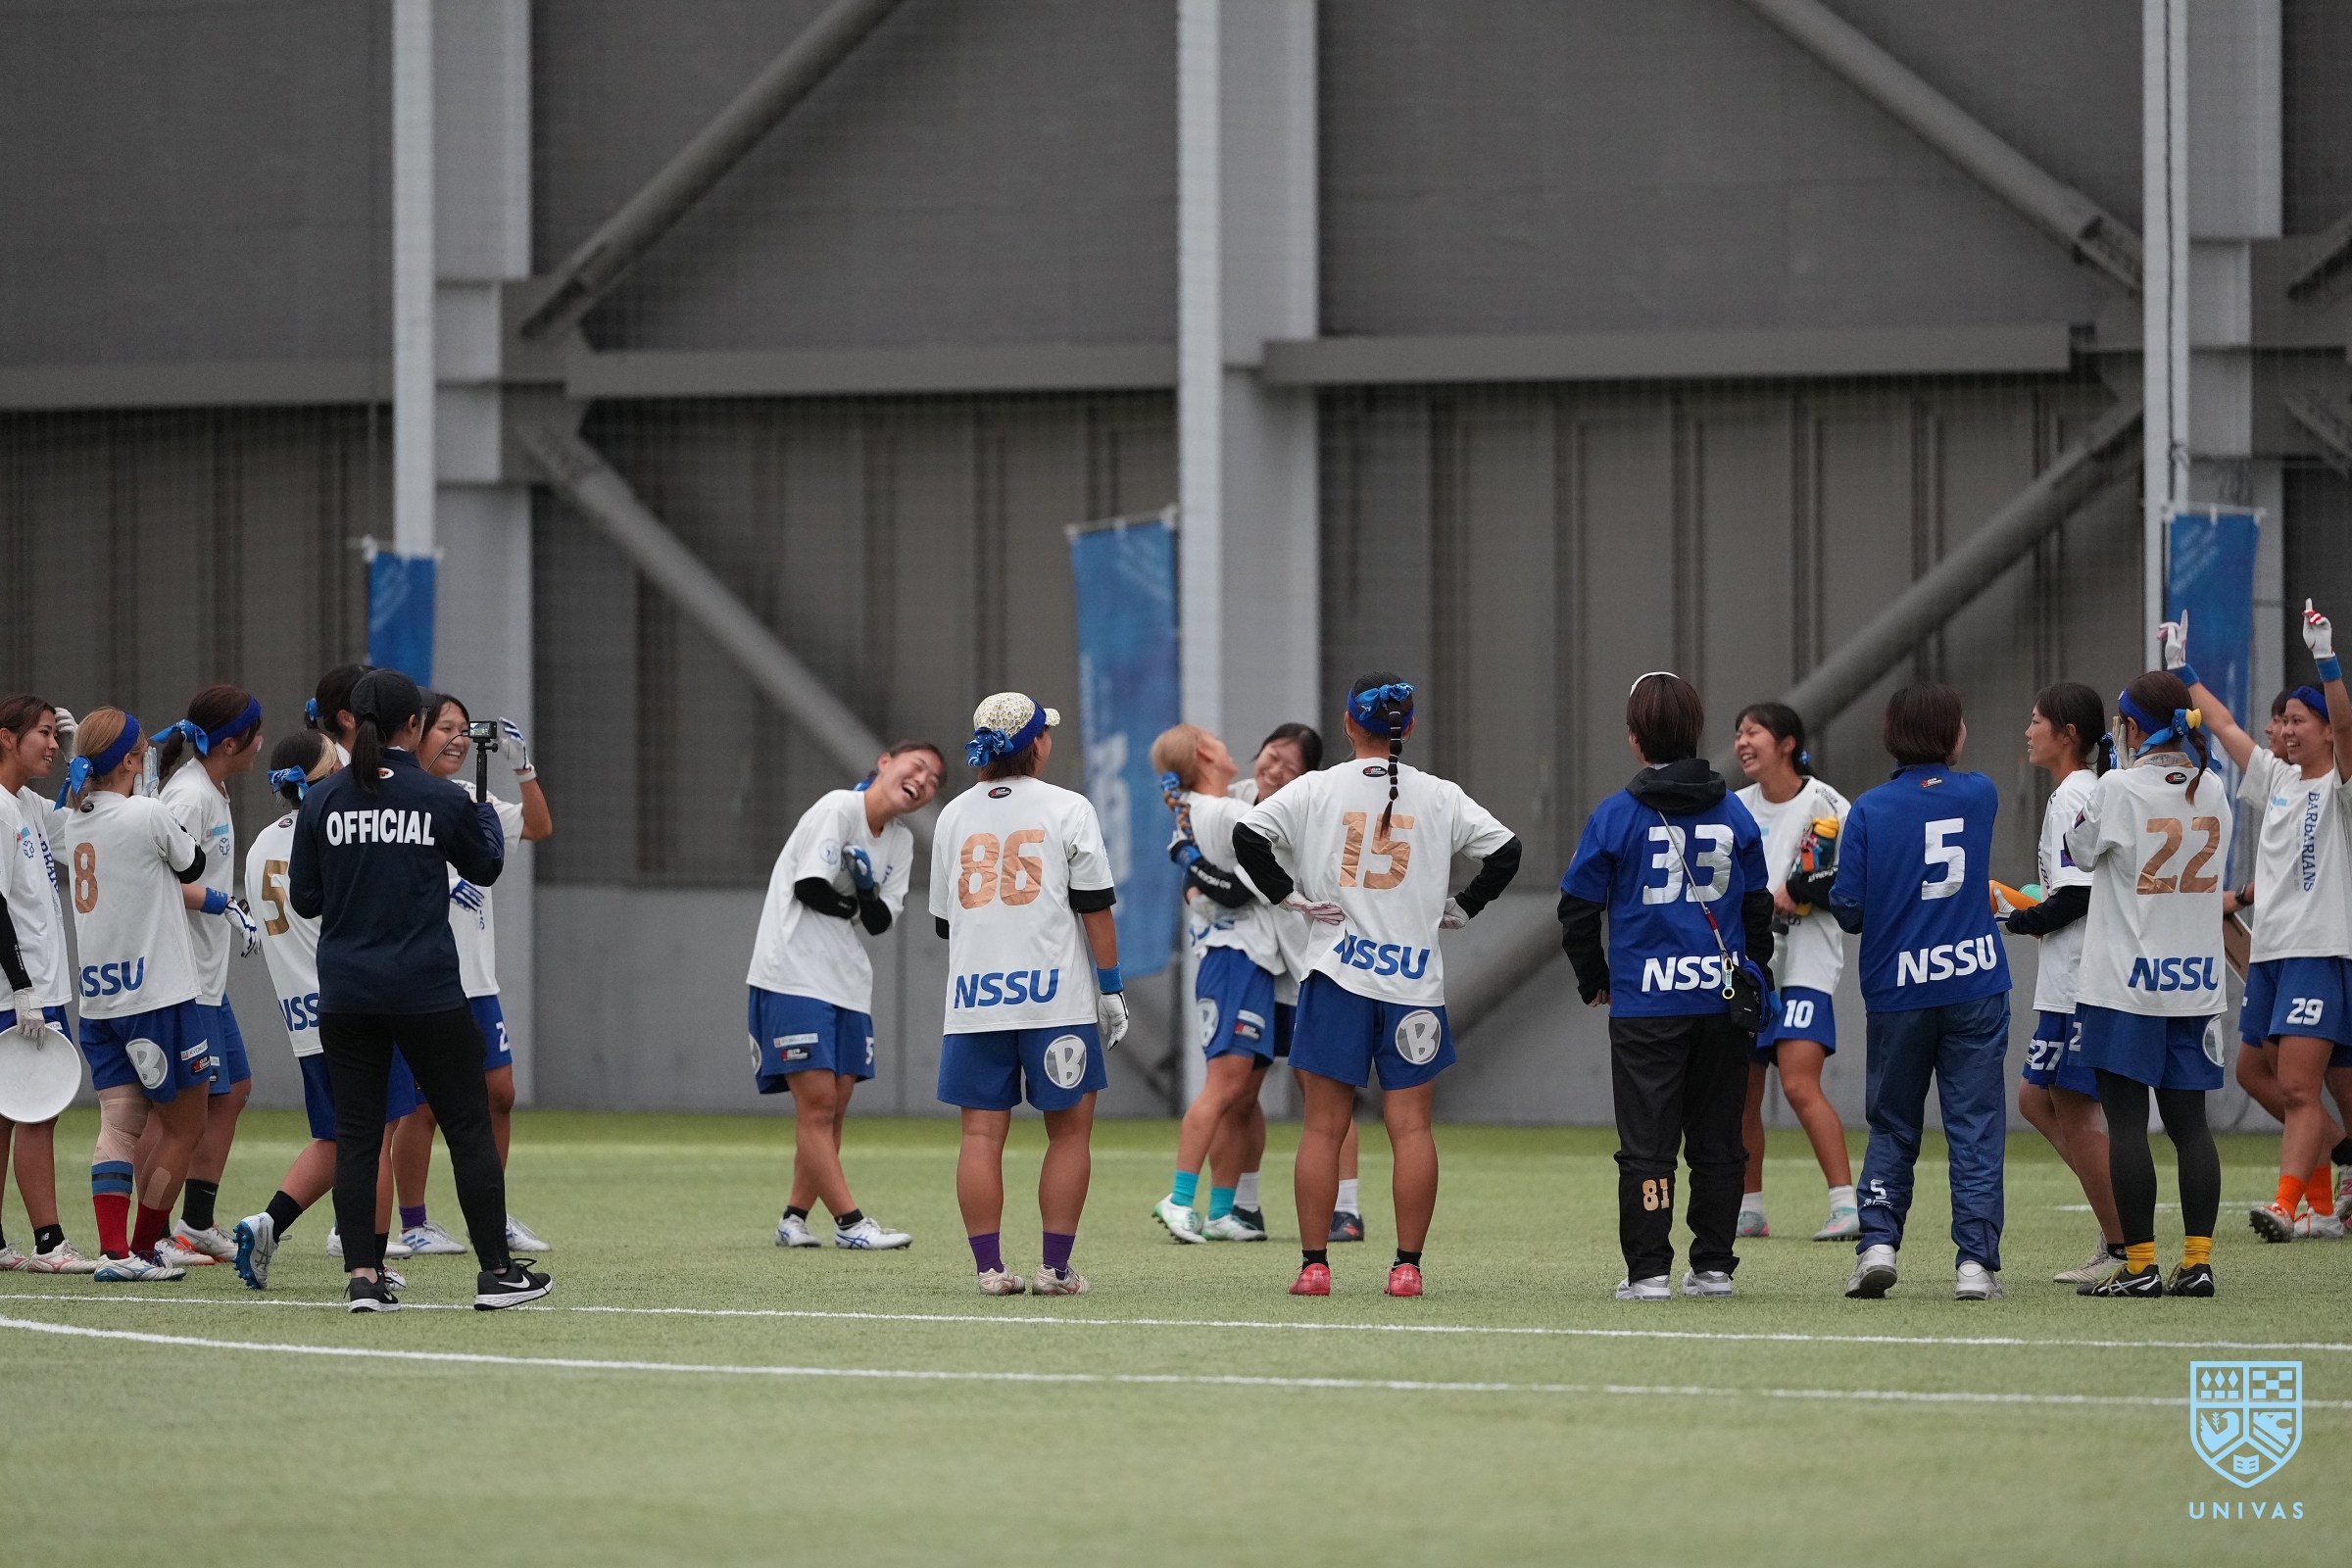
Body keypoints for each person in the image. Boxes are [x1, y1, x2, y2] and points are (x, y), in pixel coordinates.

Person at [1236, 673, 1522, 1298]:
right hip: (1413, 984)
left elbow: (1247, 837)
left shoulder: (1316, 788)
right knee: (1412, 1128)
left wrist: (1289, 898)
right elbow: (1506, 852)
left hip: (1336, 977)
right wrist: (1465, 907)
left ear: (1348, 722)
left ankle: (1315, 1268)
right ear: (1408, 727)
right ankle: (1406, 1268)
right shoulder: (1441, 795)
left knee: (1322, 1127)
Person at [287, 668, 547, 1313]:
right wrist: (481, 820)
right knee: (468, 1126)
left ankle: (364, 1277)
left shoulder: (323, 799)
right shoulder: (437, 797)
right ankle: (497, 1274)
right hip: (426, 990)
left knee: (358, 1135)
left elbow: (307, 898)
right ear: (415, 725)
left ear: (352, 721)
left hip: (347, 991)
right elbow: (486, 864)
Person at [1562, 673, 1772, 1300]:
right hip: (1722, 1002)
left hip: (1645, 1005)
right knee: (1719, 1140)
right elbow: (1758, 906)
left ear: (1635, 738)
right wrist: (1752, 970)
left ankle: (1648, 1271)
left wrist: (1596, 978)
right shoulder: (1734, 811)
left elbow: (1577, 909)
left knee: (1647, 1143)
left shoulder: (1616, 815)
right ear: (1696, 731)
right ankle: (1714, 1267)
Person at [931, 694, 1127, 1297]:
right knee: (1068, 1134)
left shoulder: (952, 815)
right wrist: (1111, 989)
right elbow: (1095, 908)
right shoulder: (1069, 807)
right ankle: (1055, 1270)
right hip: (1055, 1000)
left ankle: (990, 1271)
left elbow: (944, 922)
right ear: (1037, 744)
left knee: (980, 1137)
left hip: (974, 999)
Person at [2169, 602, 2352, 1242]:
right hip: (2272, 954)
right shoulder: (2276, 778)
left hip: (2318, 952)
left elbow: (2347, 723)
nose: (2285, 730)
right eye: (2282, 720)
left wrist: (2325, 657)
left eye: (2298, 720)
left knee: (2300, 1085)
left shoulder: (2339, 787)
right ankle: (2327, 1194)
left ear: (2327, 732)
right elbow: (2221, 724)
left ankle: (2288, 1204)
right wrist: (2182, 669)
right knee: (2257, 1073)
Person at [1827, 682, 2012, 1302]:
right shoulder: (1981, 792)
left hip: (1898, 987)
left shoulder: (1869, 809)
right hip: (1975, 980)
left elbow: (1849, 909)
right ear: (1951, 734)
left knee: (1893, 1123)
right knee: (1975, 1125)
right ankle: (1974, 1265)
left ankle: (1878, 1245)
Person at [2066, 669, 2231, 1297]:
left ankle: (2140, 1266)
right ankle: (2198, 1262)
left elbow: (2079, 851)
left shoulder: (2118, 786)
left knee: (2128, 1125)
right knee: (2192, 1126)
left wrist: (2112, 774)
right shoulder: (2212, 786)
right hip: (2194, 981)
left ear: (2133, 726)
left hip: (2126, 984)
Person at [230, 734, 416, 1289]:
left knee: (339, 1138)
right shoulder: (337, 835)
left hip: (304, 1014)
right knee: (374, 1139)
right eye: (338, 763)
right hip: (357, 1005)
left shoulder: (261, 844)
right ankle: (372, 1262)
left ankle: (269, 1223)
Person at [750, 739, 941, 1251]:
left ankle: (793, 1219)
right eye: (917, 767)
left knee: (832, 1108)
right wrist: (859, 898)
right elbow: (809, 887)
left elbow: (879, 922)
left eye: (933, 782)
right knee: (816, 1105)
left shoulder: (901, 843)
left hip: (847, 981)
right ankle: (850, 1224)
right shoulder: (839, 807)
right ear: (885, 763)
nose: (923, 782)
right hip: (792, 973)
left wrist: (866, 892)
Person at [385, 693, 557, 1255]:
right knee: (423, 1106)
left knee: (499, 1093)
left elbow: (538, 826)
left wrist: (522, 767)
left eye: (465, 729)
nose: (459, 739)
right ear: (417, 732)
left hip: (477, 978)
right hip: (425, 977)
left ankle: (493, 1212)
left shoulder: (469, 797)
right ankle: (414, 1223)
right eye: (446, 728)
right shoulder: (402, 798)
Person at [56, 710, 213, 1282]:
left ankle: (115, 1252)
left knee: (119, 1126)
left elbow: (81, 813)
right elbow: (194, 863)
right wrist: (146, 796)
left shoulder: (72, 823)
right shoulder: (148, 812)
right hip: (158, 996)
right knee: (185, 1127)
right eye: (141, 752)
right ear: (129, 760)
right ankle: (145, 1250)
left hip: (100, 1002)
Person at [1202, 723, 1362, 1244]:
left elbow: (1228, 888)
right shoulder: (1232, 799)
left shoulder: (1304, 810)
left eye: (1289, 767)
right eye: (1271, 756)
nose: (1274, 770)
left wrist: (1194, 871)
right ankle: (1244, 1206)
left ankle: (1347, 1209)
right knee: (1241, 1093)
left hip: (1307, 966)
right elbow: (1190, 848)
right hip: (1256, 969)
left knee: (1323, 1092)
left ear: (1306, 777)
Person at [1150, 721, 1294, 1244]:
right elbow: (1241, 888)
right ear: (1205, 753)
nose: (1229, 746)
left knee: (1243, 1092)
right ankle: (1179, 1199)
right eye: (1216, 739)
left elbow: (1195, 870)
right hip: (1234, 958)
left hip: (1245, 958)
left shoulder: (1196, 810)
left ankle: (1222, 1210)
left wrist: (1195, 884)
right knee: (1226, 1086)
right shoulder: (1229, 814)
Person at [2002, 682, 2128, 1283]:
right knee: (2036, 1099)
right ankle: (2119, 1219)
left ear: (2067, 734)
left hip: (2080, 979)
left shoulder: (2075, 794)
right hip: (2066, 977)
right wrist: (2030, 906)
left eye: (2036, 720)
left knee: (2075, 1110)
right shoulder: (2077, 792)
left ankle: (2125, 1243)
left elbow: (2077, 895)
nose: (2028, 732)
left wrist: (2015, 918)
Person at [148, 684, 266, 1268]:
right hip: (184, 978)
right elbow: (160, 882)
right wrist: (224, 903)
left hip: (208, 979)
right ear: (229, 743)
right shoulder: (188, 796)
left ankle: (194, 1224)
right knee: (174, 1113)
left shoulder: (211, 788)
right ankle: (150, 1234)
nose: (262, 741)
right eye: (254, 732)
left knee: (233, 1091)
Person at [1729, 702, 1854, 1243]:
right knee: (1742, 1091)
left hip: (1806, 963)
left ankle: (1846, 1206)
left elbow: (1853, 876)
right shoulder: (1733, 807)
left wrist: (1800, 888)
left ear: (1787, 743)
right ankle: (1749, 1209)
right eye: (1738, 733)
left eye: (1753, 732)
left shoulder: (1827, 803)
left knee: (1800, 1084)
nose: (1742, 742)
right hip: (1749, 969)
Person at [0, 696, 95, 1272]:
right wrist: (23, 988)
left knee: (10, 1114)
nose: (53, 745)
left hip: (37, 985)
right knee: (37, 1111)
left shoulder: (27, 804)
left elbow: (79, 824)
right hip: (20, 991)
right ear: (6, 738)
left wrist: (82, 752)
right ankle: (48, 1243)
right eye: (44, 734)